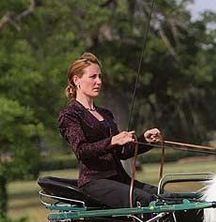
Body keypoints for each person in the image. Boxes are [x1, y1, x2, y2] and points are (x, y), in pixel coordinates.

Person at [58, 52, 161, 208]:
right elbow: (82, 150)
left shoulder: (106, 114)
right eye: (93, 77)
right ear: (77, 80)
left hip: (119, 179)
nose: (98, 82)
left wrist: (144, 140)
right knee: (147, 201)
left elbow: (121, 152)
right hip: (95, 182)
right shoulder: (70, 115)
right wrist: (112, 141)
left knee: (164, 197)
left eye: (100, 77)